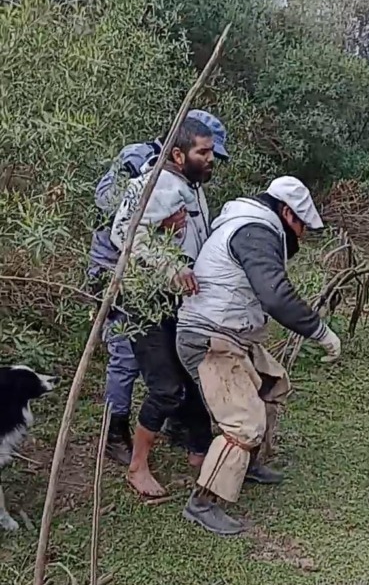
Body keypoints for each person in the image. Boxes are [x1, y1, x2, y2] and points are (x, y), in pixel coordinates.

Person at [176, 176, 341, 536]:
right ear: (286, 213)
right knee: (243, 423)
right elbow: (276, 296)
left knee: (272, 386)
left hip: (232, 335)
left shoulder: (249, 226)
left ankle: (245, 465)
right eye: (301, 226)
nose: (302, 237)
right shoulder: (255, 231)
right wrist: (320, 331)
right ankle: (203, 502)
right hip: (210, 338)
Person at [87, 110, 229, 465]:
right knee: (126, 357)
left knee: (174, 367)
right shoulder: (145, 172)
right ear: (180, 150)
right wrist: (166, 254)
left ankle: (178, 429)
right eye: (205, 152)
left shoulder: (188, 183)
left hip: (164, 289)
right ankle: (115, 434)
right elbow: (123, 229)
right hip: (131, 280)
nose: (211, 160)